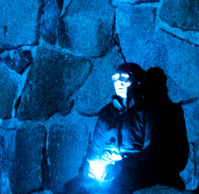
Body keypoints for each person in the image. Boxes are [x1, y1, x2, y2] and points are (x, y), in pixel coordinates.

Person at [65, 62, 156, 194]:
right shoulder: (106, 113)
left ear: (137, 82)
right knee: (70, 188)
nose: (119, 82)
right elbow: (94, 147)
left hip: (129, 171)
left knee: (115, 189)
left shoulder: (146, 112)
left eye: (125, 78)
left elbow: (151, 152)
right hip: (103, 171)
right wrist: (86, 167)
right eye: (116, 78)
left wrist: (119, 168)